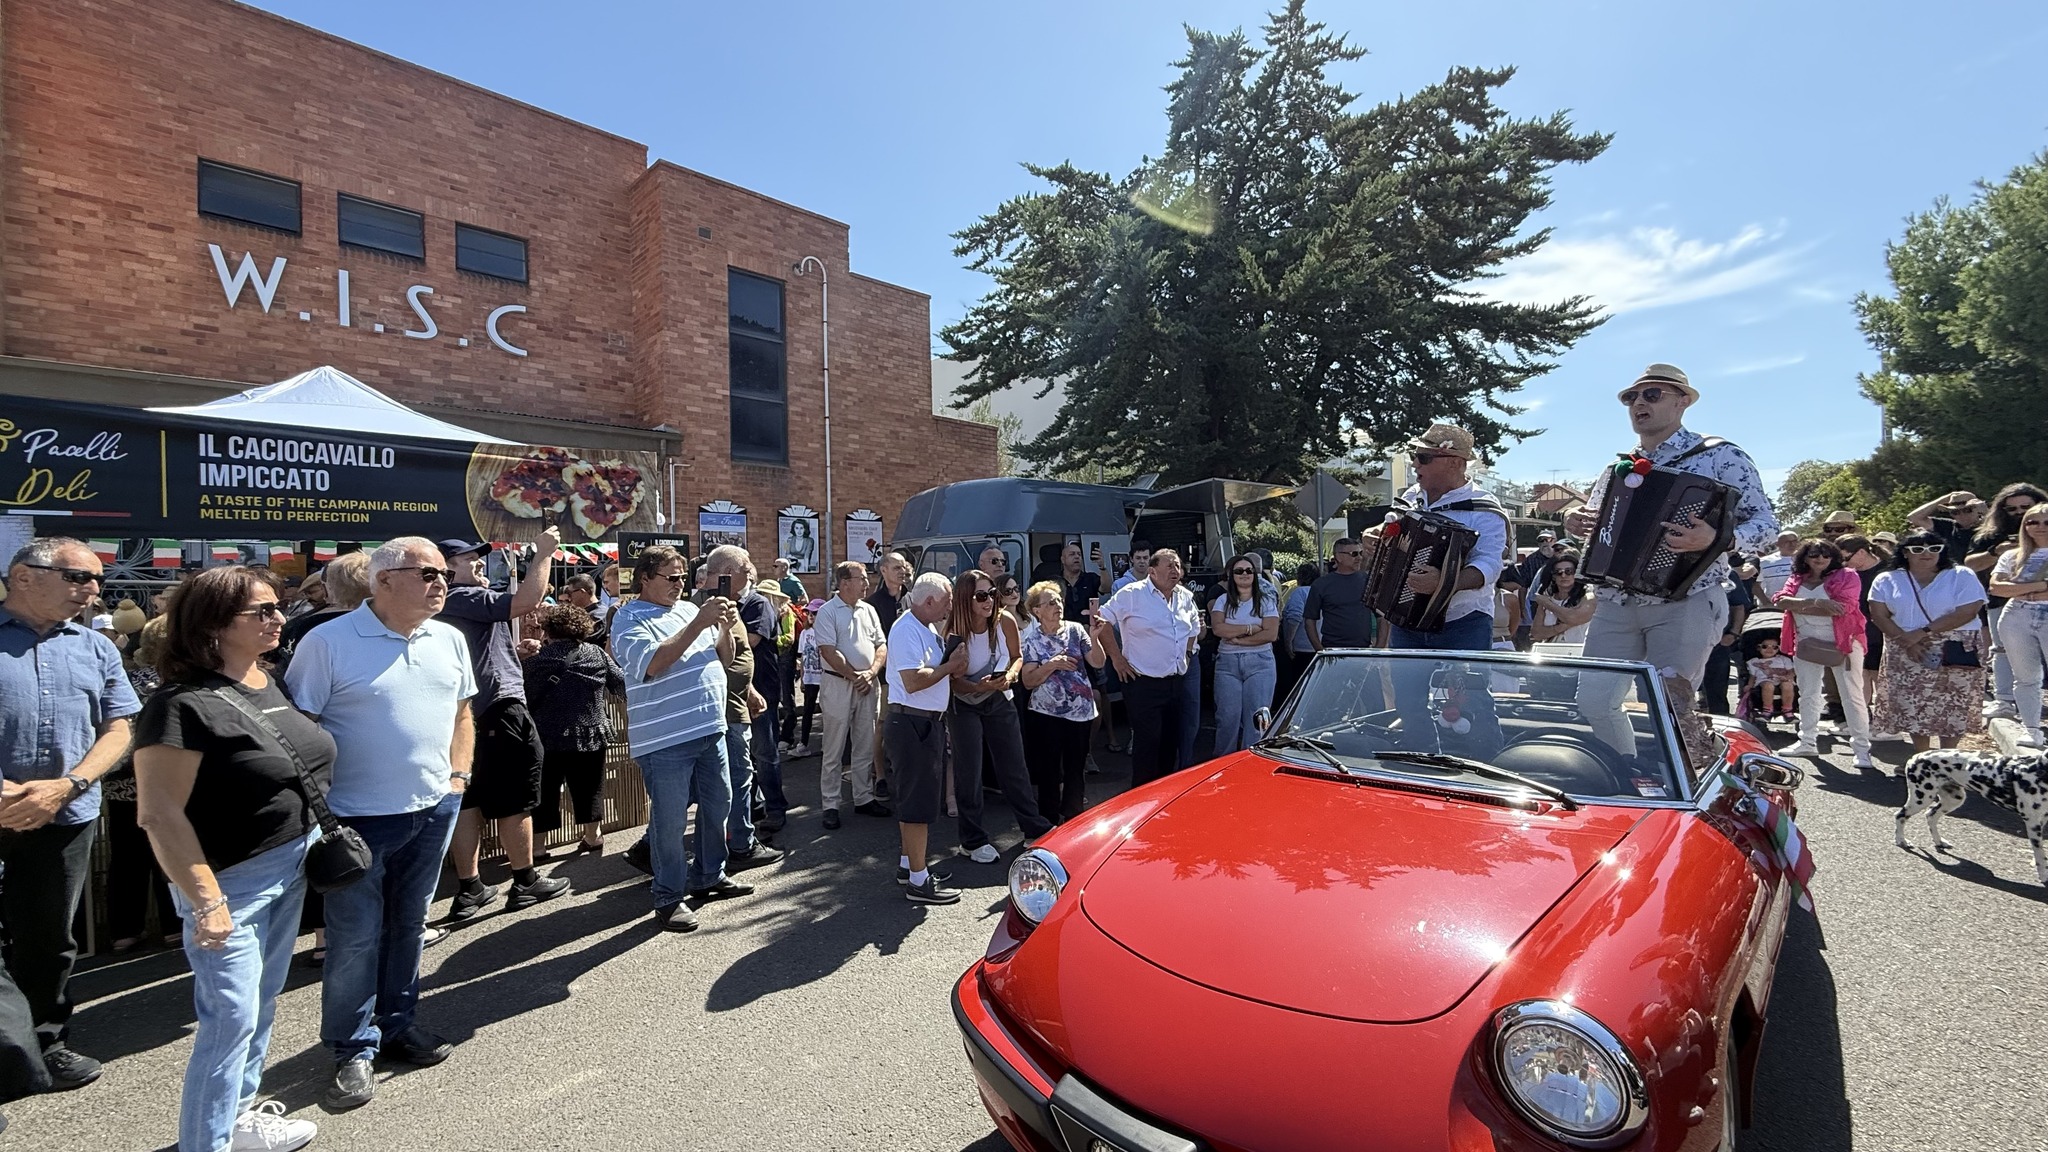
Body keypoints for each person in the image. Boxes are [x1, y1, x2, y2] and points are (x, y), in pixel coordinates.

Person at [133, 566, 328, 1152]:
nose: (278, 618)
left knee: (259, 1006)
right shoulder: (179, 705)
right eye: (261, 611)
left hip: (290, 865)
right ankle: (206, 1143)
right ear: (213, 625)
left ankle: (239, 1120)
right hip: (228, 883)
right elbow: (158, 813)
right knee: (230, 1019)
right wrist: (206, 901)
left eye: (277, 607)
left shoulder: (267, 680)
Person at [284, 538, 475, 1110]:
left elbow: (463, 713)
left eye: (444, 574)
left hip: (433, 808)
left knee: (409, 925)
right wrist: (320, 812)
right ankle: (352, 1048)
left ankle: (397, 1025)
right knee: (354, 939)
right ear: (383, 579)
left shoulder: (449, 638)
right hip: (355, 817)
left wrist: (458, 776)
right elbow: (300, 730)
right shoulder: (327, 641)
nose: (441, 583)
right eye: (428, 573)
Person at [1565, 364, 1778, 762]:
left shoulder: (1721, 456)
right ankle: (1631, 772)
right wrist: (1574, 521)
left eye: (1652, 395)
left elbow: (1767, 526)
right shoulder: (1617, 468)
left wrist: (1717, 539)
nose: (1638, 403)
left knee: (1671, 708)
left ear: (1682, 402)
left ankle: (1697, 778)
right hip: (1616, 602)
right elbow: (1597, 528)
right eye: (1631, 397)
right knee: (1593, 701)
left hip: (1686, 598)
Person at [0, 538, 141, 1097]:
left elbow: (119, 728)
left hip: (65, 814)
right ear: (24, 576)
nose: (93, 589)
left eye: (97, 579)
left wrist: (68, 785)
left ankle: (45, 1042)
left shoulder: (95, 647)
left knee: (49, 939)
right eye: (79, 577)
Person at [429, 536, 571, 922]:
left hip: (462, 715)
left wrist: (512, 655)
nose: (478, 564)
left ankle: (470, 888)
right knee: (515, 798)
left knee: (467, 800)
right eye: (468, 558)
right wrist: (543, 554)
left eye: (478, 558)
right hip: (498, 711)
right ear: (445, 568)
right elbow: (526, 602)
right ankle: (524, 881)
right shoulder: (464, 596)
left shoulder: (443, 605)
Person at [611, 547, 746, 932]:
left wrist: (723, 628)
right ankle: (668, 896)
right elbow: (652, 664)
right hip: (665, 739)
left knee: (719, 805)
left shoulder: (689, 610)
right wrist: (700, 623)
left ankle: (709, 875)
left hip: (708, 728)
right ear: (644, 578)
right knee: (670, 823)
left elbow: (724, 658)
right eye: (671, 578)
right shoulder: (627, 617)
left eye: (683, 578)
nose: (679, 585)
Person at [945, 570, 1052, 862]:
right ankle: (972, 840)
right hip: (964, 702)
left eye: (993, 594)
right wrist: (977, 687)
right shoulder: (953, 629)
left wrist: (1010, 676)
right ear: (965, 598)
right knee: (969, 771)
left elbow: (1017, 657)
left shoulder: (1004, 619)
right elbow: (952, 680)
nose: (989, 601)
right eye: (981, 595)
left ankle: (1034, 828)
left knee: (1014, 765)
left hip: (998, 698)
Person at [695, 546, 789, 852]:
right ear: (728, 573)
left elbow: (749, 641)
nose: (750, 573)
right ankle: (746, 818)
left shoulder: (757, 603)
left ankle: (774, 808)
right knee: (737, 765)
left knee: (763, 753)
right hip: (728, 697)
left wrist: (721, 629)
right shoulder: (707, 603)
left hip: (760, 689)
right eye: (744, 568)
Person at [884, 573, 969, 904]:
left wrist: (953, 665)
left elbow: (932, 673)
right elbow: (913, 680)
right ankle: (919, 882)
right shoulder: (907, 629)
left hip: (921, 722)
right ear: (929, 601)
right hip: (912, 722)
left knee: (914, 801)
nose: (950, 607)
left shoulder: (926, 628)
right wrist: (950, 666)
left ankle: (910, 866)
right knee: (917, 805)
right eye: (947, 601)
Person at [1868, 531, 1989, 753]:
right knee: (1912, 704)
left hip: (1954, 645)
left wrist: (1922, 633)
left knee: (1953, 704)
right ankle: (1922, 757)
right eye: (1918, 549)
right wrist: (1908, 642)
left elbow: (1968, 611)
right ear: (1905, 552)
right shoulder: (1887, 579)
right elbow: (1879, 615)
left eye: (1934, 548)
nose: (1927, 553)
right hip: (1904, 645)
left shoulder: (1961, 575)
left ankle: (1947, 757)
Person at [1095, 548, 1202, 787]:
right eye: (1169, 566)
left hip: (1176, 681)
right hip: (1142, 682)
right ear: (1152, 571)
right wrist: (1116, 658)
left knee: (1170, 744)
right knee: (1147, 746)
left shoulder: (1185, 596)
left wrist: (1186, 653)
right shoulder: (1132, 594)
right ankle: (1141, 798)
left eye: (1177, 566)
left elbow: (1194, 628)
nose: (1175, 571)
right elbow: (1101, 621)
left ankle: (1163, 797)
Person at [103, 615, 177, 954]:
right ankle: (174, 924)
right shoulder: (176, 684)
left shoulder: (128, 681)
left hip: (122, 784)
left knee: (125, 857)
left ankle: (124, 930)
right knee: (169, 851)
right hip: (166, 783)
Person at [525, 605, 625, 855]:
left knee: (544, 790)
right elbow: (621, 684)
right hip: (591, 732)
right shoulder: (596, 654)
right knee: (590, 787)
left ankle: (538, 847)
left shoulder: (537, 659)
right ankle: (593, 837)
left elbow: (522, 694)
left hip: (547, 735)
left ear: (549, 630)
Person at [1773, 539, 1874, 766]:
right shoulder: (1797, 578)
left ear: (1834, 557)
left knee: (1852, 696)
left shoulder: (1847, 576)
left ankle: (1861, 749)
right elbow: (1779, 601)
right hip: (1806, 642)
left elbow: (1844, 608)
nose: (1820, 559)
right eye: (1814, 554)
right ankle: (1807, 742)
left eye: (1826, 555)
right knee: (1808, 694)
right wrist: (1818, 602)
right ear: (1804, 557)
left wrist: (1799, 605)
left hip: (1844, 643)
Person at [812, 561, 890, 829]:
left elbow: (881, 645)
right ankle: (831, 804)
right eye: (862, 578)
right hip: (838, 684)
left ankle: (863, 797)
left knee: (865, 744)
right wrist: (855, 676)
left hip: (867, 684)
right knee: (833, 748)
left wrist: (871, 672)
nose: (867, 583)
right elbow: (828, 650)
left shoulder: (869, 610)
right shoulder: (827, 612)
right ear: (845, 583)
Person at [1020, 580, 1104, 823]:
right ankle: (1048, 820)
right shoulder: (1032, 639)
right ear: (1037, 610)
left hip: (1080, 711)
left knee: (1076, 769)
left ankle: (1073, 818)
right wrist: (1052, 664)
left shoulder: (1076, 630)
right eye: (1050, 602)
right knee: (1049, 769)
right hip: (1046, 713)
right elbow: (1028, 681)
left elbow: (1097, 662)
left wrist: (1095, 637)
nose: (1057, 605)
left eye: (1059, 600)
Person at [1967, 483, 2047, 720]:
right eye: (2012, 509)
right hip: (2001, 602)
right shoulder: (1990, 535)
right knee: (2001, 650)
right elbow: (1970, 564)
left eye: (2025, 507)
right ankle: (2004, 701)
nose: (2019, 513)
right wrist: (1995, 552)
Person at [1987, 505, 2048, 746]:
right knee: (2025, 677)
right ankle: (2031, 729)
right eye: (2033, 522)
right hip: (2016, 615)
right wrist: (2041, 586)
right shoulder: (2012, 555)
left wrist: (2019, 589)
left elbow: (2008, 587)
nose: (2040, 527)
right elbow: (1996, 588)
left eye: (2046, 522)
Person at [1209, 553, 1279, 754]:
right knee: (1226, 718)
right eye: (1239, 571)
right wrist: (1251, 628)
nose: (1245, 574)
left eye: (1249, 570)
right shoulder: (1222, 600)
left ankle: (1252, 762)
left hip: (1260, 663)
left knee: (1257, 719)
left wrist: (1239, 639)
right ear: (1231, 575)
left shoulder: (1266, 600)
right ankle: (1224, 763)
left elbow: (1271, 633)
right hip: (1227, 663)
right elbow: (1218, 629)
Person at [1303, 538, 1373, 651]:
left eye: (1361, 553)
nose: (1359, 558)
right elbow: (1309, 620)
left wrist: (1379, 648)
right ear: (1339, 557)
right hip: (1332, 650)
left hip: (1363, 651)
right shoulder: (1321, 584)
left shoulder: (1369, 581)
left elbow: (1382, 617)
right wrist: (1320, 650)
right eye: (1354, 554)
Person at [1529, 552, 1596, 645]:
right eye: (1558, 572)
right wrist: (1562, 626)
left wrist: (1548, 605)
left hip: (1579, 650)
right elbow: (1536, 633)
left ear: (1576, 573)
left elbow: (1573, 617)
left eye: (1569, 571)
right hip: (1551, 651)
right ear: (1553, 576)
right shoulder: (1547, 597)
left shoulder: (1588, 595)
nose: (1563, 575)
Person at [1276, 561, 1320, 701]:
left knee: (1300, 690)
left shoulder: (1300, 592)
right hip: (1320, 646)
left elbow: (1294, 618)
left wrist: (1288, 643)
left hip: (1301, 649)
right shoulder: (1321, 592)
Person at [1906, 491, 1985, 564]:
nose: (1962, 515)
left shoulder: (1987, 527)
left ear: (1978, 510)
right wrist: (1945, 499)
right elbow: (1913, 518)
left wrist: (1986, 511)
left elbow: (1992, 526)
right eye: (1955, 512)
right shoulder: (1947, 527)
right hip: (1956, 573)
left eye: (1967, 510)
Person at [1746, 637, 1796, 722]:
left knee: (1787, 685)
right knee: (1768, 685)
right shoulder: (1754, 662)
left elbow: (1792, 672)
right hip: (1763, 680)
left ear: (1778, 649)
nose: (1769, 649)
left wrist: (1787, 677)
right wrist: (1749, 685)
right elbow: (1752, 676)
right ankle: (1767, 710)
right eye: (1765, 646)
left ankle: (1787, 710)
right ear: (1759, 648)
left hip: (1783, 679)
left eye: (1774, 647)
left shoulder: (1783, 659)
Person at [1753, 531, 1802, 601]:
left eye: (1794, 541)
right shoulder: (1764, 562)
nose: (1792, 544)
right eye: (1787, 542)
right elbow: (1755, 585)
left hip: (1803, 604)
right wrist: (1766, 602)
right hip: (1774, 605)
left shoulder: (1808, 560)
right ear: (1777, 544)